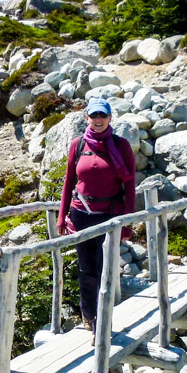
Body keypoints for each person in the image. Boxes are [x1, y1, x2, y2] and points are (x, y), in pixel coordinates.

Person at [58, 99, 136, 334]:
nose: (98, 119)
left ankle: (104, 319)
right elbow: (69, 181)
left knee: (105, 269)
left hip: (108, 217)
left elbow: (130, 187)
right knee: (86, 269)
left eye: (103, 115)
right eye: (94, 116)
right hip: (81, 214)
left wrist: (126, 221)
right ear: (87, 119)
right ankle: (89, 316)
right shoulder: (78, 145)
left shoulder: (121, 146)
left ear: (110, 118)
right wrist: (62, 216)